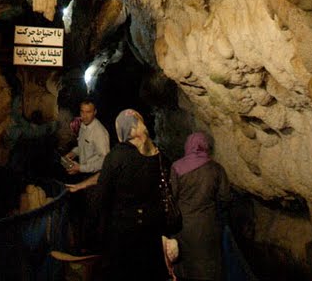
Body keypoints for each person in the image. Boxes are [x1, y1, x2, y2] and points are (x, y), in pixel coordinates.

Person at [96, 108, 175, 281]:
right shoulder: (158, 155)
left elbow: (102, 197)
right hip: (151, 233)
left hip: (123, 233)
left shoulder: (116, 157)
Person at [169, 131, 231, 281]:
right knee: (209, 267)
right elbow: (225, 197)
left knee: (186, 266)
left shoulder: (177, 167)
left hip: (184, 226)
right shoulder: (216, 168)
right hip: (208, 225)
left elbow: (172, 196)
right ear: (206, 146)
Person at [63, 100, 110, 252]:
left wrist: (81, 168)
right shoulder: (83, 126)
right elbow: (82, 145)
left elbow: (104, 160)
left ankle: (94, 251)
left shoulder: (100, 132)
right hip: (83, 175)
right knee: (85, 213)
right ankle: (84, 246)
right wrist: (73, 153)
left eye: (88, 112)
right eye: (82, 111)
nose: (84, 115)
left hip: (95, 179)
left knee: (94, 216)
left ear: (95, 112)